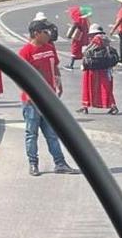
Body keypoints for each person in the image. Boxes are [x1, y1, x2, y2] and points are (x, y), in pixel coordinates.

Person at [19, 19, 79, 177]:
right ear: (36, 33)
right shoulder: (25, 52)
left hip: (49, 99)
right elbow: (21, 78)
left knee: (52, 134)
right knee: (32, 134)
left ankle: (60, 163)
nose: (49, 34)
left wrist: (59, 83)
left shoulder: (50, 48)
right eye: (45, 32)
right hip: (32, 102)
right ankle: (33, 164)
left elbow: (55, 67)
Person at [79, 24, 120, 115]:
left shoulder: (96, 40)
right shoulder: (106, 40)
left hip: (93, 68)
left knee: (89, 87)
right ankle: (112, 105)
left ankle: (86, 105)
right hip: (105, 69)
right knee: (106, 88)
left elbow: (87, 51)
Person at [64, 6, 90, 70]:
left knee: (75, 49)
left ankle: (71, 65)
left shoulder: (77, 20)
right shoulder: (85, 19)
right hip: (85, 37)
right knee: (84, 51)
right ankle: (84, 64)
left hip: (78, 37)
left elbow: (73, 28)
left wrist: (69, 35)